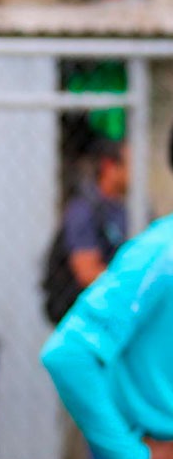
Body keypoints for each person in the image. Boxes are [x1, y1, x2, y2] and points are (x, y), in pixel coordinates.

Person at [41, 123, 173, 459]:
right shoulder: (157, 253)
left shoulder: (134, 212)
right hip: (109, 354)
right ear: (109, 167)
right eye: (129, 162)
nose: (136, 172)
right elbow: (67, 351)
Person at [44, 139, 129, 325]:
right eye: (130, 164)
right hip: (83, 314)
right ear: (109, 166)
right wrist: (132, 283)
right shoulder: (83, 209)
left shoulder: (129, 209)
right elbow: (87, 273)